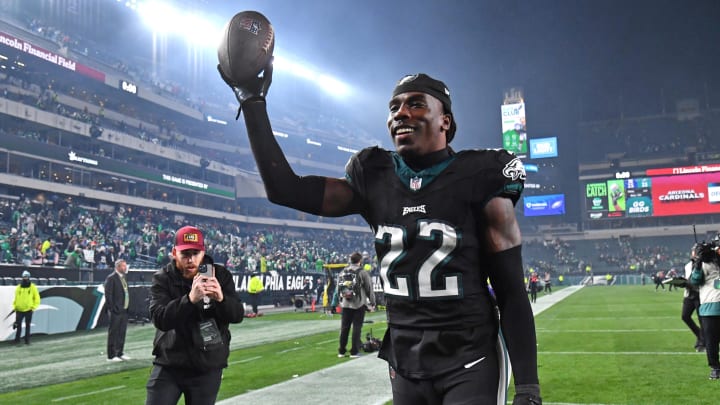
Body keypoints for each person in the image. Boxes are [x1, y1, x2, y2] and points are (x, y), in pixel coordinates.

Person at [219, 66, 541, 404]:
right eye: (394, 107)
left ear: (445, 120)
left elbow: (511, 294)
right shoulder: (374, 175)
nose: (401, 113)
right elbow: (285, 190)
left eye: (416, 104)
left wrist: (529, 389)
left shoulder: (481, 175)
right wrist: (252, 101)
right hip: (404, 359)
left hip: (469, 358)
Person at [145, 226, 244, 405]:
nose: (191, 259)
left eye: (196, 253)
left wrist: (221, 299)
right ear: (174, 252)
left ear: (203, 252)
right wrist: (190, 299)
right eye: (185, 254)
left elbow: (237, 315)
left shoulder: (220, 275)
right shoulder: (163, 278)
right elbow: (160, 319)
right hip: (170, 362)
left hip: (207, 363)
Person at [332, 252, 376, 358]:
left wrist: (337, 302)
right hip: (359, 304)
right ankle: (354, 351)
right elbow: (369, 288)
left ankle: (341, 351)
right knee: (357, 328)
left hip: (345, 304)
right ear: (359, 261)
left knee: (344, 328)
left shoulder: (343, 272)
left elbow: (337, 288)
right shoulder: (362, 272)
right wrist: (372, 302)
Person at [689, 237, 720, 379]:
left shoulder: (703, 265)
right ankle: (715, 368)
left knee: (711, 340)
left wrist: (697, 263)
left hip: (709, 307)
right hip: (710, 306)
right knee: (711, 340)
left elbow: (695, 281)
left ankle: (715, 368)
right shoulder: (709, 264)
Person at [104, 259, 130, 361]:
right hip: (116, 310)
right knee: (113, 332)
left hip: (124, 309)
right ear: (118, 267)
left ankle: (119, 352)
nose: (125, 267)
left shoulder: (124, 277)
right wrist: (112, 308)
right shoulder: (111, 278)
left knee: (121, 332)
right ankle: (111, 355)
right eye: (123, 266)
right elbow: (108, 294)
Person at [682, 250, 704, 352]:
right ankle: (700, 335)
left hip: (700, 294)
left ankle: (702, 342)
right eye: (693, 252)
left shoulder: (704, 264)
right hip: (689, 294)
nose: (694, 254)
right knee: (685, 316)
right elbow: (688, 278)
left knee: (702, 319)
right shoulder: (687, 266)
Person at [13, 270, 41, 344]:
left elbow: (37, 298)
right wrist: (15, 306)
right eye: (24, 276)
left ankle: (27, 340)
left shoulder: (33, 287)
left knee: (27, 325)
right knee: (18, 325)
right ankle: (17, 339)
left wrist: (33, 307)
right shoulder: (19, 287)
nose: (25, 278)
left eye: (26, 276)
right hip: (19, 310)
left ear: (29, 277)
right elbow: (16, 298)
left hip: (28, 310)